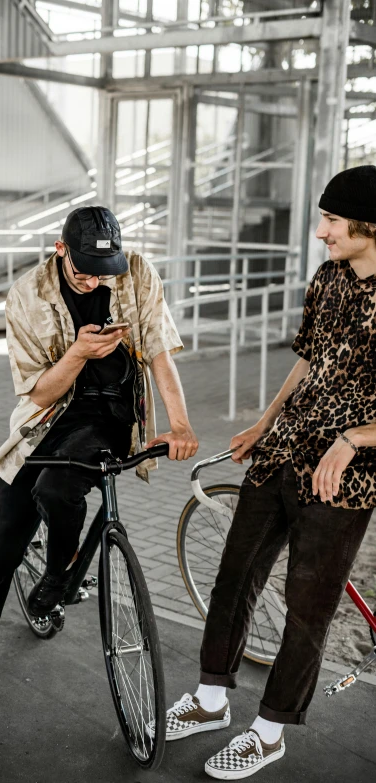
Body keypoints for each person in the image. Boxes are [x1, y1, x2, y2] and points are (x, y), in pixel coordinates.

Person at [0, 205, 198, 736]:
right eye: (83, 269)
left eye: (103, 268)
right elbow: (37, 391)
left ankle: (56, 575)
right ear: (60, 249)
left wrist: (181, 425)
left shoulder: (137, 273)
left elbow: (161, 353)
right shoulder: (26, 296)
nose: (94, 278)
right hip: (43, 421)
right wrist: (76, 353)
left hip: (108, 419)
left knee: (58, 488)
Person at [159, 165, 376, 779]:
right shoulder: (329, 278)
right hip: (282, 451)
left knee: (308, 606)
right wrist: (264, 421)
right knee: (236, 574)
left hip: (343, 480)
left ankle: (271, 730)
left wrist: (354, 440)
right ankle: (209, 700)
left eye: (331, 221)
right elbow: (307, 361)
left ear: (368, 224)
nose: (321, 233)